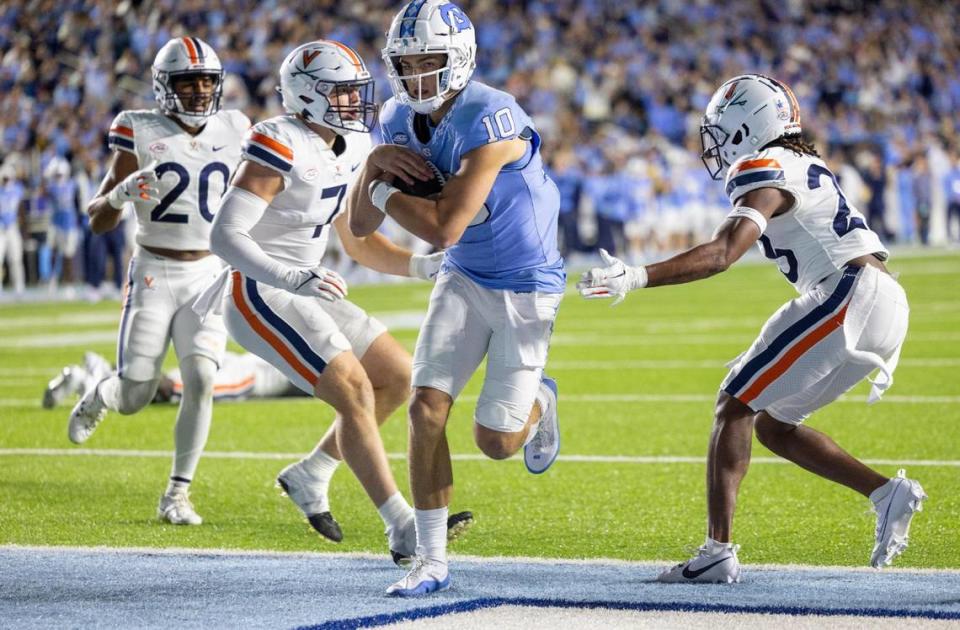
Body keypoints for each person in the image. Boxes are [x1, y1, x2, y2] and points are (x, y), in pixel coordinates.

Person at [578, 74, 926, 583]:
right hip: (880, 299)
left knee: (734, 403)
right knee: (771, 425)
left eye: (721, 128)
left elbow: (723, 253)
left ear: (749, 125)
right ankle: (884, 492)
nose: (714, 141)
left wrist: (636, 275)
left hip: (847, 292)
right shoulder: (801, 160)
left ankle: (717, 552)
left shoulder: (762, 167)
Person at [205, 40, 471, 563]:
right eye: (341, 92)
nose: (354, 102)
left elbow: (354, 237)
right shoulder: (277, 139)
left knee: (396, 377)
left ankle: (312, 473)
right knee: (352, 388)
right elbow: (225, 237)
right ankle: (402, 528)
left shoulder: (351, 145)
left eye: (355, 91)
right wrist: (292, 275)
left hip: (306, 284)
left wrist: (416, 266)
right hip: (258, 288)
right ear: (306, 95)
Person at [353, 0, 564, 596]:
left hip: (526, 284)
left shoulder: (490, 115)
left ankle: (539, 404)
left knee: (496, 442)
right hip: (464, 276)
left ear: (461, 58)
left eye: (429, 60)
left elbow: (445, 224)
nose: (416, 74)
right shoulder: (395, 118)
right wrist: (372, 165)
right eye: (407, 61)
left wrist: (381, 186)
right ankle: (432, 560)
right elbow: (361, 224)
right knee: (426, 408)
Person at [66, 37, 250, 527]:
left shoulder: (236, 127)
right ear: (165, 85)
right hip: (153, 270)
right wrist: (119, 195)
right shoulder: (138, 128)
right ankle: (100, 392)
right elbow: (96, 221)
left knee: (203, 378)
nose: (198, 90)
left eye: (207, 80)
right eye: (188, 80)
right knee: (134, 396)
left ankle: (177, 494)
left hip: (210, 272)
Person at [43, 351, 301, 409]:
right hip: (256, 375)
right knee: (186, 389)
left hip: (246, 358)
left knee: (181, 381)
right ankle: (102, 384)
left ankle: (104, 373)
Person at [0, 167, 26, 296]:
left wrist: (24, 229)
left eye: (8, 178)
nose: (6, 180)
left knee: (16, 258)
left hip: (12, 227)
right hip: (0, 229)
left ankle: (19, 286)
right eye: (4, 178)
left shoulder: (17, 189)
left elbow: (21, 210)